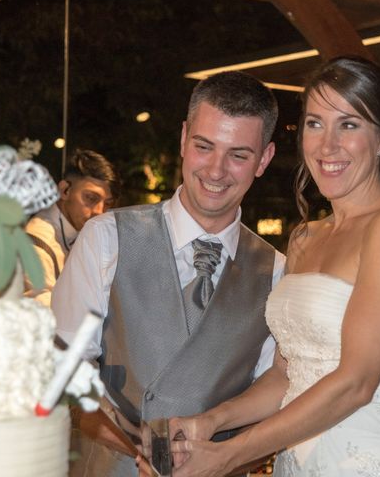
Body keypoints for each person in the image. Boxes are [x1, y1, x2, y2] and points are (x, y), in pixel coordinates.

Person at [170, 56, 380, 476]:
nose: (327, 145)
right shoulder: (304, 238)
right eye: (315, 124)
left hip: (367, 461)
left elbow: (355, 383)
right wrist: (212, 422)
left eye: (348, 125)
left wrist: (230, 455)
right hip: (297, 460)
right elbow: (284, 377)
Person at [51, 71, 285, 476]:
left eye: (238, 155)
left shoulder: (277, 272)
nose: (216, 170)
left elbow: (272, 400)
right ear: (183, 140)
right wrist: (140, 447)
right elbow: (64, 372)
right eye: (204, 146)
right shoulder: (107, 237)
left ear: (263, 159)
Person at [24, 148, 120, 306]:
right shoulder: (37, 241)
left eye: (107, 204)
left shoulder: (82, 232)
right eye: (90, 198)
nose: (99, 211)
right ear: (64, 190)